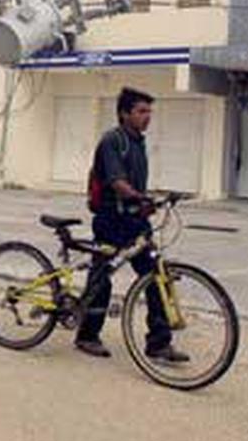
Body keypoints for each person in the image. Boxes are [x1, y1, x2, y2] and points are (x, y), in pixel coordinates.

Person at [75, 87, 189, 364]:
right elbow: (117, 181)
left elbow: (133, 184)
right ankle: (87, 336)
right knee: (101, 277)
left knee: (156, 275)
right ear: (124, 113)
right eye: (141, 111)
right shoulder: (113, 141)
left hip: (135, 221)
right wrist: (139, 197)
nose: (147, 116)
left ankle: (159, 343)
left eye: (149, 111)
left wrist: (149, 202)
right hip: (111, 220)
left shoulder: (138, 142)